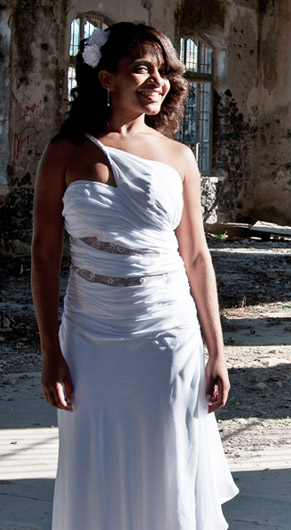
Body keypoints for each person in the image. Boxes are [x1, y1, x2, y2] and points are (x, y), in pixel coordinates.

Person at [31, 22, 238, 529]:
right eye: (141, 68)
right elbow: (43, 254)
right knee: (95, 460)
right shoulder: (65, 152)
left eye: (164, 70)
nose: (157, 81)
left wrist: (218, 351)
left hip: (167, 333)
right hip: (89, 333)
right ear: (106, 78)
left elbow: (195, 257)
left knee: (168, 453)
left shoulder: (178, 157)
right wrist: (50, 353)